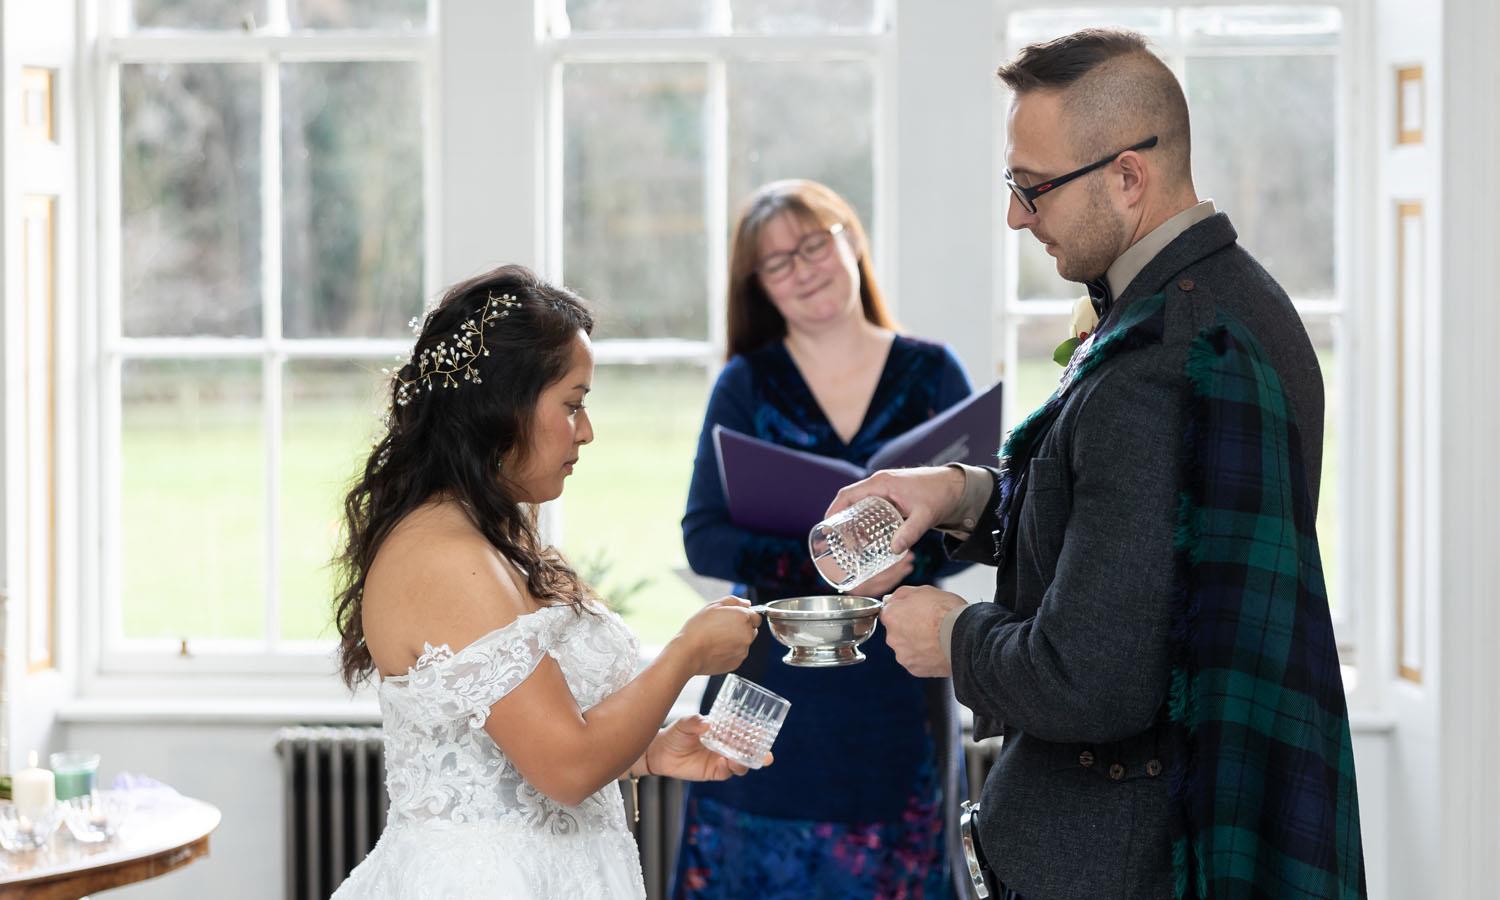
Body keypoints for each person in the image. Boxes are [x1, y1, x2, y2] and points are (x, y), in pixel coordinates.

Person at [830, 29, 1365, 900]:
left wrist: (950, 637)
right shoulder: (1229, 298)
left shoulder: (1161, 363)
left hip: (1129, 864)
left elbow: (1091, 680)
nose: (1015, 215)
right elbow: (1140, 539)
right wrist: (961, 494)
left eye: (1031, 187)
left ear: (1127, 176)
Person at [329, 264, 765, 900]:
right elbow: (565, 767)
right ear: (501, 407)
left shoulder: (488, 538)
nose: (585, 430)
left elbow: (523, 736)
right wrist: (687, 656)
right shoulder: (445, 558)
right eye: (573, 403)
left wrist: (645, 750)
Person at [674, 179, 972, 899]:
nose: (804, 269)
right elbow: (703, 535)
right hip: (771, 681)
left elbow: (978, 526)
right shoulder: (745, 383)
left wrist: (902, 559)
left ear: (850, 243)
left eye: (815, 244)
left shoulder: (932, 372)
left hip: (898, 677)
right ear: (759, 287)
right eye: (778, 262)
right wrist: (824, 561)